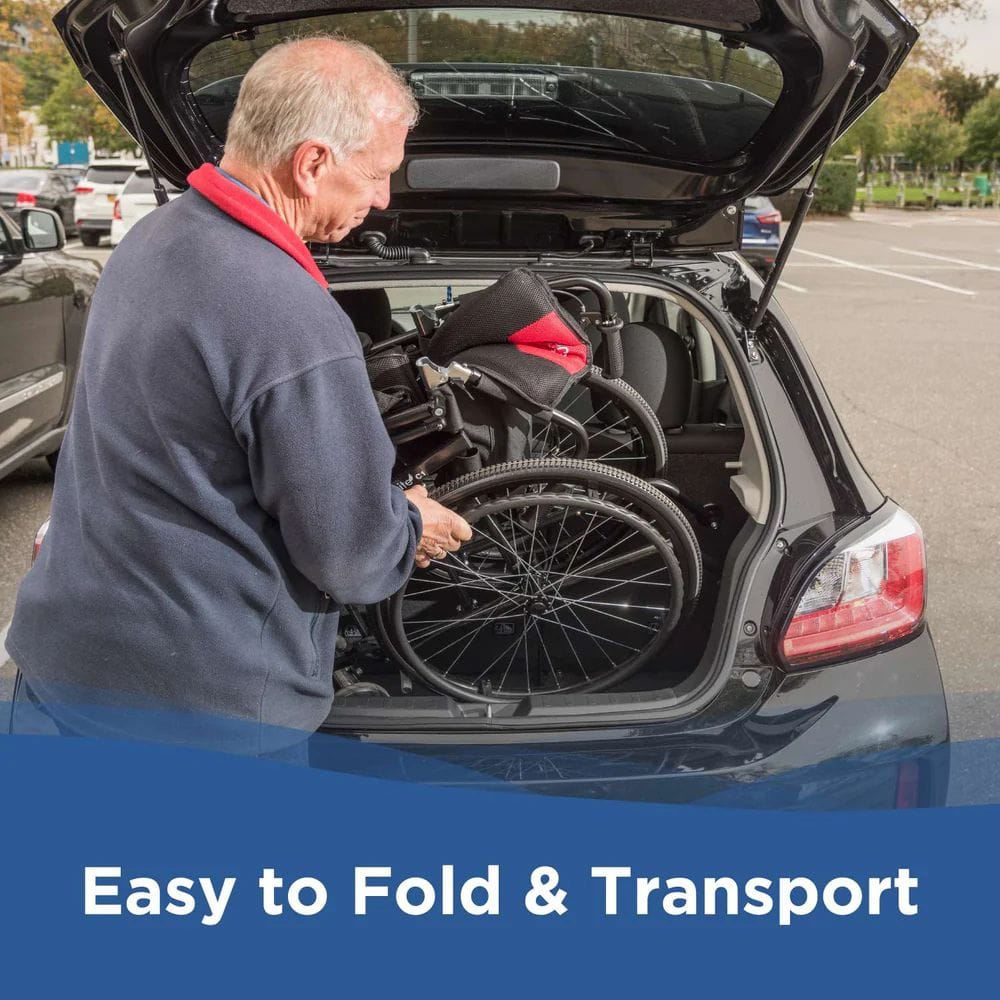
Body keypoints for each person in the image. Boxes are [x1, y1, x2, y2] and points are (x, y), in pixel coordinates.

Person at [6, 35, 472, 743]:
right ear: (311, 163)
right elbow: (348, 555)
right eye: (378, 173)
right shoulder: (286, 316)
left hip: (63, 670)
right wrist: (410, 524)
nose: (382, 201)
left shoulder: (152, 241)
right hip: (197, 720)